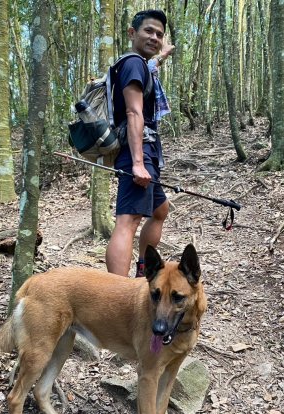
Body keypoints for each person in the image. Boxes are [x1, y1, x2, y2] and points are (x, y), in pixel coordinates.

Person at [105, 9, 174, 277]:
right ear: (132, 33)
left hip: (146, 152)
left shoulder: (142, 65)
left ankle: (144, 270)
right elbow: (134, 113)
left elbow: (151, 68)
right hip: (138, 151)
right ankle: (117, 294)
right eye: (148, 31)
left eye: (159, 34)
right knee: (128, 220)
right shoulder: (133, 63)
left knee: (160, 210)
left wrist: (163, 54)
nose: (154, 37)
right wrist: (137, 163)